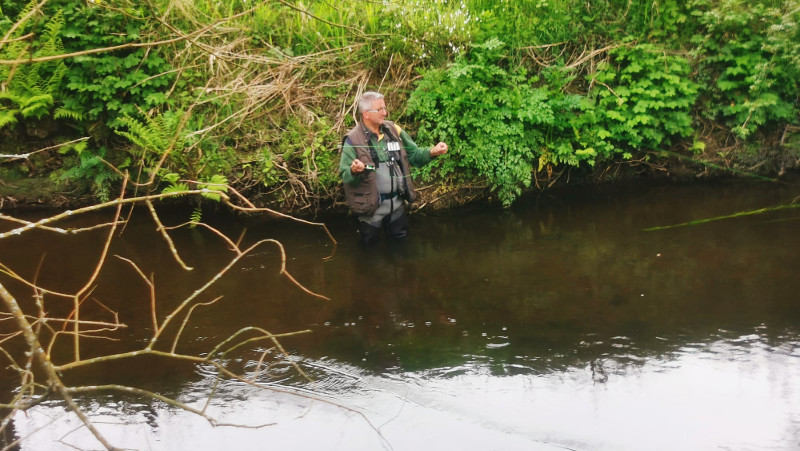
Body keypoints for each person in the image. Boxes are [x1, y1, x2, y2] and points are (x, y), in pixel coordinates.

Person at [339, 91, 448, 246]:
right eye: (380, 109)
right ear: (366, 114)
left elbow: (414, 154)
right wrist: (354, 170)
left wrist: (432, 151)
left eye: (385, 108)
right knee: (370, 249)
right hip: (370, 210)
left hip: (396, 206)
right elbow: (345, 175)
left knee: (401, 245)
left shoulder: (393, 130)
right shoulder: (352, 139)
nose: (385, 112)